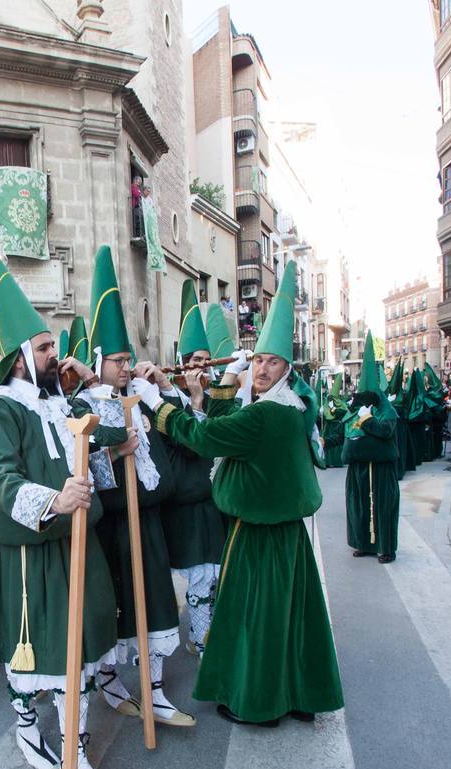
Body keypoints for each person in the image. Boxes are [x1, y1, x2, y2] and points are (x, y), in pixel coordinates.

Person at [131, 259, 341, 727]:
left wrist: (155, 400)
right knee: (289, 619)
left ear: (287, 367)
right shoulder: (287, 405)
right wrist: (226, 382)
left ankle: (258, 703)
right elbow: (227, 426)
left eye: (271, 362)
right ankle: (297, 694)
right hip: (283, 534)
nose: (262, 369)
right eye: (259, 360)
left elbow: (205, 437)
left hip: (258, 534)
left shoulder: (267, 414)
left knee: (256, 619)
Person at [0, 238, 132, 769]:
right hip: (28, 553)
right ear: (16, 357)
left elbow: (105, 435)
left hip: (72, 545)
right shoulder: (2, 410)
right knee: (45, 652)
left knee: (76, 651)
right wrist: (51, 501)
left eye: (52, 349)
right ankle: (43, 737)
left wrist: (88, 385)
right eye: (42, 350)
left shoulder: (58, 404)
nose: (52, 358)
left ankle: (73, 750)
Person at [83, 246, 193, 727]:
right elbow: (80, 463)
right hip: (112, 528)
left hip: (147, 522)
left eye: (130, 359)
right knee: (117, 607)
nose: (127, 367)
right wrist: (111, 451)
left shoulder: (140, 399)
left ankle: (155, 688)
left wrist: (163, 388)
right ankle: (111, 678)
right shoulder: (82, 404)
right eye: (119, 360)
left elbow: (183, 430)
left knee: (157, 603)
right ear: (100, 362)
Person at [160, 280, 227, 658]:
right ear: (182, 361)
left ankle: (207, 633)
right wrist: (195, 402)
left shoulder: (218, 395)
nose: (202, 366)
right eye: (195, 359)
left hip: (213, 502)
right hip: (185, 505)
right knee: (199, 576)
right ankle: (200, 639)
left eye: (206, 358)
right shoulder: (171, 400)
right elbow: (188, 445)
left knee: (215, 574)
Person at [342, 334, 399, 564]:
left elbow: (385, 431)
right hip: (359, 469)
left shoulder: (387, 411)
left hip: (381, 470)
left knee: (383, 509)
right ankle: (363, 543)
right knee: (359, 507)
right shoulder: (356, 409)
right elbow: (347, 432)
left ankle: (386, 548)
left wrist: (367, 422)